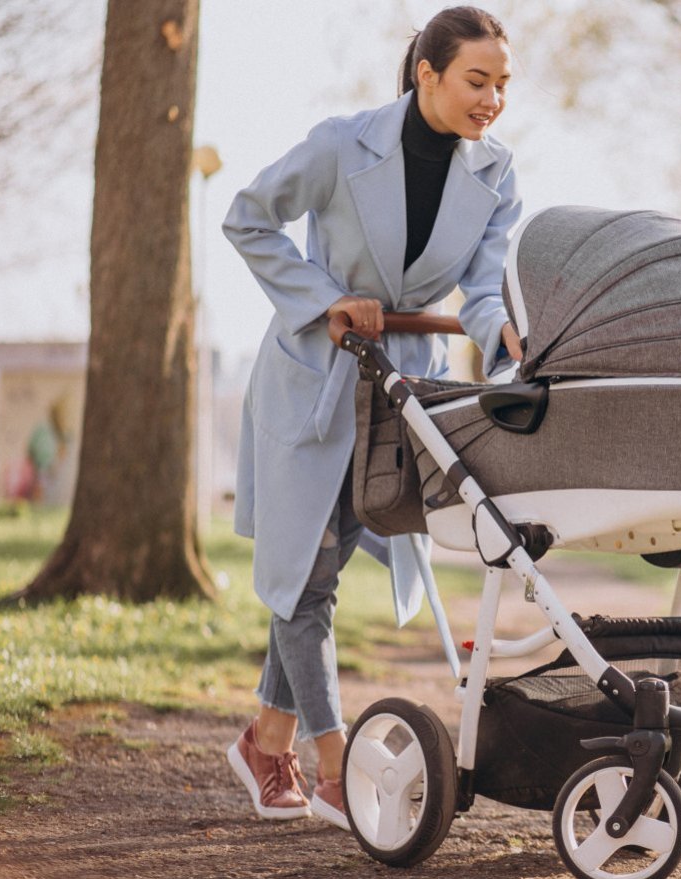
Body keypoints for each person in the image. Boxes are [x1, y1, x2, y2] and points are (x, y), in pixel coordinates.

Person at [221, 6, 524, 831]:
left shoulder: (496, 175)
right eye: (476, 80)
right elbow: (247, 216)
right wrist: (325, 301)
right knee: (307, 575)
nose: (491, 99)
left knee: (320, 571)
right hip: (313, 382)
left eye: (502, 84)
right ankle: (331, 765)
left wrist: (506, 338)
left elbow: (488, 290)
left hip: (397, 390)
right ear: (426, 72)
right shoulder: (339, 144)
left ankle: (264, 740)